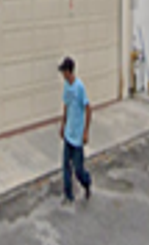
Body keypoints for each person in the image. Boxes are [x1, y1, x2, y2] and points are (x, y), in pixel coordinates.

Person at [58, 56, 92, 204]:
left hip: (77, 137)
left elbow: (88, 109)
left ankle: (87, 182)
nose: (62, 75)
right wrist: (63, 125)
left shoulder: (79, 87)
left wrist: (85, 132)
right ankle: (68, 195)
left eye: (63, 71)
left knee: (78, 170)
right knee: (66, 166)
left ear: (69, 71)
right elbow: (66, 105)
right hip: (68, 134)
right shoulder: (66, 86)